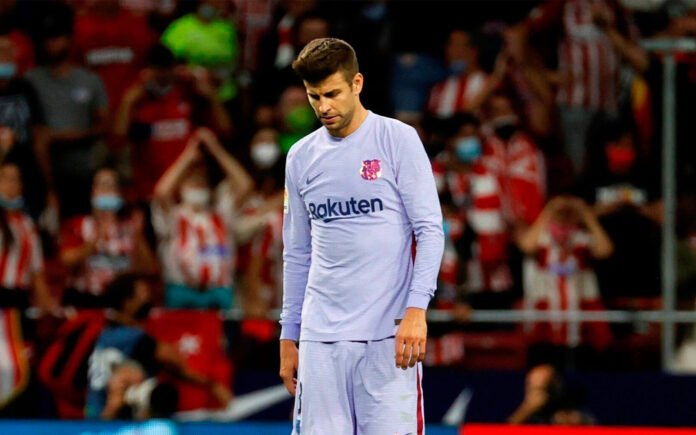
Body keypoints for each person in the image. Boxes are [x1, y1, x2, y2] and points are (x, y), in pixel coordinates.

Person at [279, 38, 444, 434]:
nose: (323, 107)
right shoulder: (300, 157)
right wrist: (289, 335)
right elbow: (297, 252)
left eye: (332, 94)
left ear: (357, 83)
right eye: (314, 96)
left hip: (388, 337)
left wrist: (417, 310)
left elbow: (429, 230)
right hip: (320, 340)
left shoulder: (397, 139)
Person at [86, 273, 231, 419]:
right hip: (115, 419)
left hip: (95, 415)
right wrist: (212, 385)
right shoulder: (132, 337)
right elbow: (174, 361)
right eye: (142, 293)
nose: (148, 298)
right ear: (127, 302)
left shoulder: (105, 334)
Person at [151, 127, 253, 310]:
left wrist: (216, 149)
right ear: (181, 188)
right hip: (181, 292)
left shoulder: (221, 215)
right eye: (192, 182)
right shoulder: (174, 216)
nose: (198, 186)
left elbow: (245, 185)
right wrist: (187, 156)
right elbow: (161, 192)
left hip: (219, 293)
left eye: (202, 182)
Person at [59, 167, 158, 308]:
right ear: (93, 192)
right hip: (85, 299)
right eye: (102, 185)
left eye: (112, 186)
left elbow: (148, 268)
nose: (107, 190)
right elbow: (66, 261)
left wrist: (138, 235)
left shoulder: (130, 227)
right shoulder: (79, 225)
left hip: (117, 303)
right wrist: (94, 239)